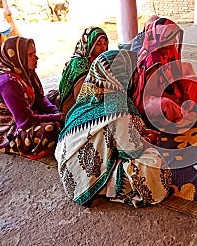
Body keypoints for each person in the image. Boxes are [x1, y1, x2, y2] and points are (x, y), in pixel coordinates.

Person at [55, 49, 172, 207]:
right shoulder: (116, 107)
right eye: (131, 73)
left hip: (69, 172)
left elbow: (116, 132)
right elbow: (132, 150)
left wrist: (138, 133)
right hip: (85, 181)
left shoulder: (86, 100)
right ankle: (108, 189)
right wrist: (147, 139)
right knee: (152, 165)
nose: (136, 77)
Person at [0, 36, 66, 159]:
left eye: (35, 53)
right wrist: (57, 117)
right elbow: (25, 121)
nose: (36, 58)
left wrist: (56, 112)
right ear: (18, 57)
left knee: (57, 96)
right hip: (5, 133)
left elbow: (39, 98)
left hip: (23, 116)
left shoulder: (24, 71)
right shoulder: (8, 83)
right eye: (30, 55)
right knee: (50, 129)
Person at [131, 17, 197, 127]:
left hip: (169, 90)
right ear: (162, 38)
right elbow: (152, 92)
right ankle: (174, 115)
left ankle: (178, 111)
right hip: (151, 97)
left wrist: (183, 93)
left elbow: (176, 76)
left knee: (193, 82)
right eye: (171, 38)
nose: (174, 41)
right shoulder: (151, 59)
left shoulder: (170, 49)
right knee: (166, 104)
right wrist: (175, 98)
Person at [58, 26, 109, 113]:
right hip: (73, 110)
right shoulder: (79, 64)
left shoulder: (100, 61)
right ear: (89, 44)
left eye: (105, 43)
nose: (103, 48)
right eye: (98, 44)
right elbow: (82, 100)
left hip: (91, 103)